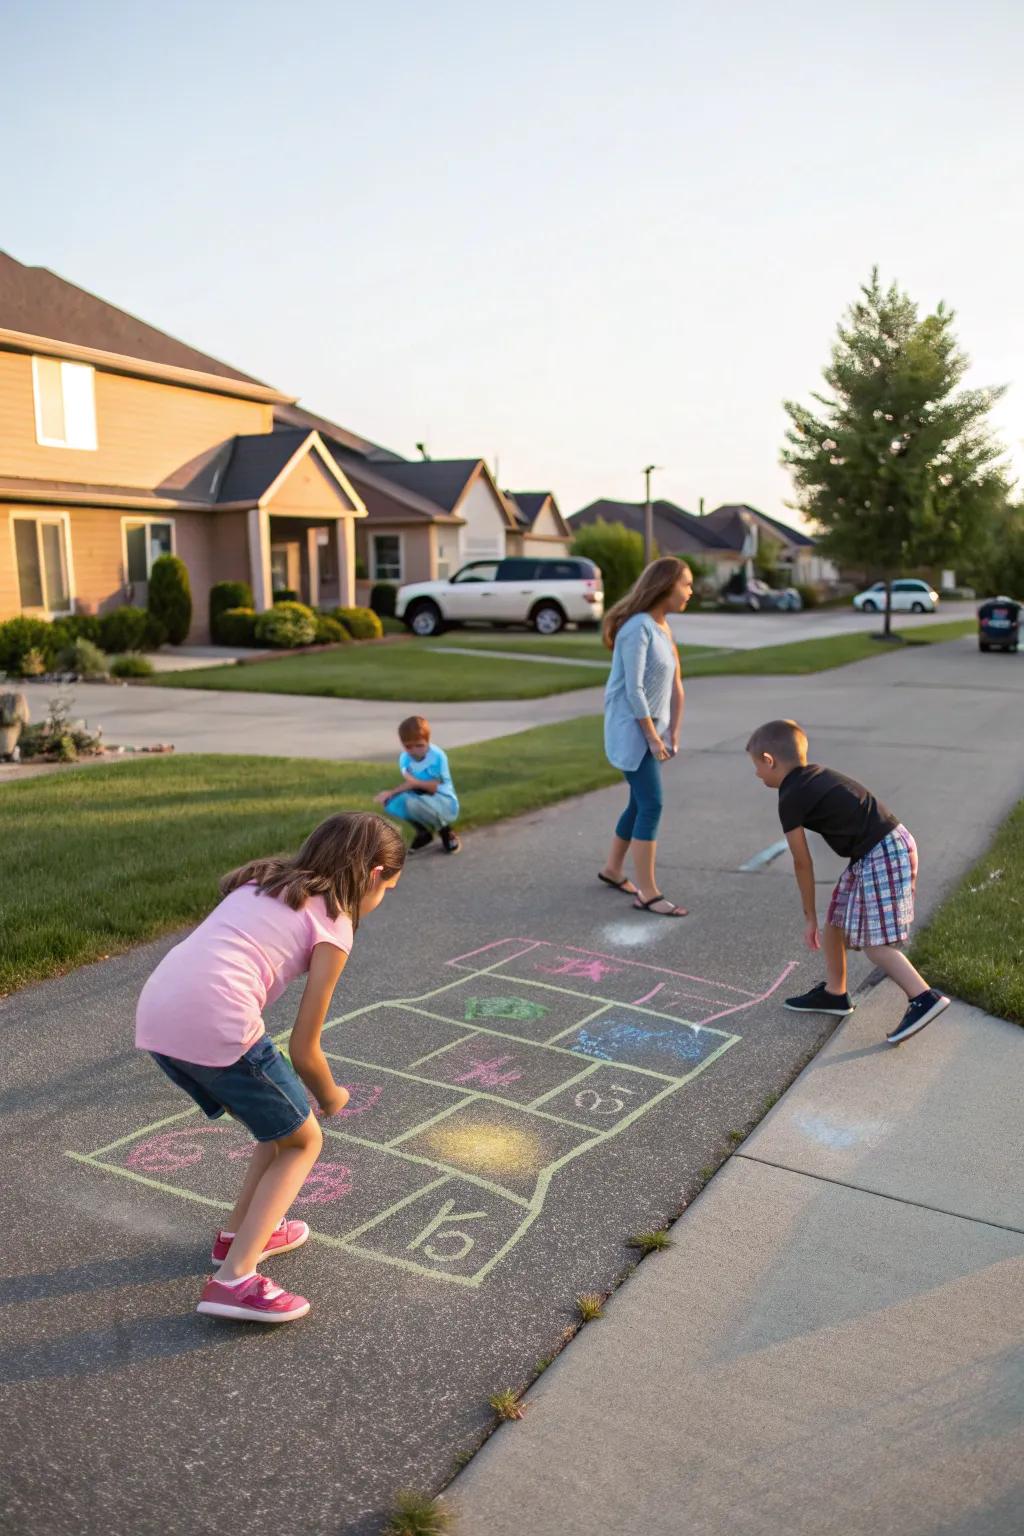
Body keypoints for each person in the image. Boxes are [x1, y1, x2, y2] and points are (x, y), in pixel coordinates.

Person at [135, 811, 405, 1323]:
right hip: (217, 1022)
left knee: (279, 1125)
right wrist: (332, 1096)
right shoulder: (335, 923)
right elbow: (306, 1049)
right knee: (305, 1140)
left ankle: (241, 1235)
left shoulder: (262, 880)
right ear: (373, 875)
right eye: (388, 887)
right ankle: (234, 1279)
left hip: (157, 1016)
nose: (383, 898)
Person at [746, 719, 950, 1045]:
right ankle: (835, 993)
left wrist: (807, 915)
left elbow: (802, 862)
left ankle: (923, 997)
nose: (756, 773)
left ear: (769, 760)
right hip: (880, 848)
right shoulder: (813, 774)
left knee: (874, 943)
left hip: (882, 851)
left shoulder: (791, 796)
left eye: (757, 766)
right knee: (837, 921)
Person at [599, 556, 693, 916]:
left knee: (639, 802)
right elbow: (635, 690)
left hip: (652, 729)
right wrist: (653, 737)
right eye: (685, 584)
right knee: (651, 803)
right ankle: (648, 892)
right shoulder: (636, 628)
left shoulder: (662, 626)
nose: (690, 591)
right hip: (631, 729)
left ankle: (612, 870)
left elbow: (677, 685)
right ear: (666, 586)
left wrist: (674, 732)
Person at [374, 714, 461, 854]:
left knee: (413, 804)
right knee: (392, 803)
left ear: (427, 741)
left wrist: (414, 783)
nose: (414, 751)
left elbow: (434, 787)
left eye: (419, 745)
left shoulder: (438, 756)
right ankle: (423, 832)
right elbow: (411, 783)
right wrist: (391, 793)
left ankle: (445, 830)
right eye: (409, 746)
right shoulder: (405, 758)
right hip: (421, 793)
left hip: (443, 799)